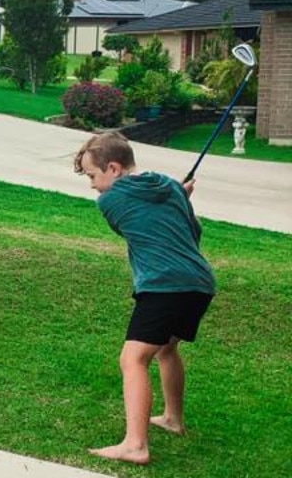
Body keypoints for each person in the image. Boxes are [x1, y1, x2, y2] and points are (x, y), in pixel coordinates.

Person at [73, 132, 216, 465]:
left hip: (164, 285)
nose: (92, 186)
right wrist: (179, 200)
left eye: (93, 175)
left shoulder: (110, 202)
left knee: (133, 359)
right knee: (167, 349)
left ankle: (135, 445)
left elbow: (133, 225)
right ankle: (172, 419)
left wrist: (178, 197)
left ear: (114, 168)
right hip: (199, 283)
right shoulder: (167, 186)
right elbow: (194, 234)